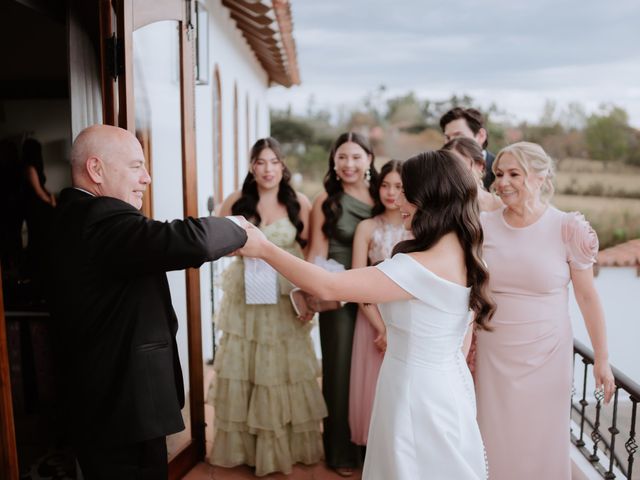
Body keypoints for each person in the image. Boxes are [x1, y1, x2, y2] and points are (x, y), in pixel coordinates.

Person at [239, 150, 495, 480]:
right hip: (447, 383)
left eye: (406, 190)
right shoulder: (468, 253)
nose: (397, 198)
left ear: (429, 196)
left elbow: (329, 287)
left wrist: (264, 248)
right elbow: (462, 338)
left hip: (415, 394)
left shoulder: (418, 268)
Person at [46, 125, 250, 480]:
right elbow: (190, 241)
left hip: (96, 399)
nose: (147, 178)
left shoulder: (66, 217)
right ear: (96, 169)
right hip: (124, 406)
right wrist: (239, 228)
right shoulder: (100, 221)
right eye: (136, 166)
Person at [474, 141, 616, 480]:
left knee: (542, 437)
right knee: (493, 435)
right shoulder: (482, 225)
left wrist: (602, 358)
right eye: (498, 174)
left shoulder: (568, 228)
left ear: (540, 177)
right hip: (494, 352)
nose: (503, 182)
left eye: (514, 174)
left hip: (547, 354)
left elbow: (587, 298)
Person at [207, 137, 327, 476]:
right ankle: (247, 448)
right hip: (246, 295)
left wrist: (308, 293)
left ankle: (283, 448)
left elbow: (308, 253)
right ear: (251, 166)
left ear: (283, 165)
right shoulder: (236, 201)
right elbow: (216, 243)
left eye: (274, 162)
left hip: (285, 295)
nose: (268, 169)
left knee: (283, 366)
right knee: (246, 364)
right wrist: (240, 250)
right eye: (261, 162)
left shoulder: (298, 203)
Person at [305, 131, 378, 476]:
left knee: (375, 373)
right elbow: (316, 250)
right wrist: (314, 291)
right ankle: (340, 451)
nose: (349, 164)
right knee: (339, 371)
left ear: (369, 160)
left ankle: (373, 448)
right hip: (338, 295)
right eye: (342, 157)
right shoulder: (326, 201)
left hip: (377, 295)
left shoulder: (384, 195)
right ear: (333, 163)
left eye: (356, 157)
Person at [348, 159, 410, 446]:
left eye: (398, 186)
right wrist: (382, 328)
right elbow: (357, 283)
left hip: (408, 321)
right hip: (370, 318)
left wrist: (396, 329)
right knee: (371, 385)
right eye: (385, 185)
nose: (390, 192)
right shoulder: (367, 227)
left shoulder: (419, 228)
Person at [440, 107, 496, 189]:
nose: (451, 143)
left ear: (481, 136)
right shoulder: (438, 170)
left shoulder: (499, 170)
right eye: (448, 138)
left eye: (458, 136)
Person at [443, 137, 502, 212]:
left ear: (480, 166)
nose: (452, 171)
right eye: (447, 165)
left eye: (459, 164)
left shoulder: (502, 206)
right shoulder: (440, 207)